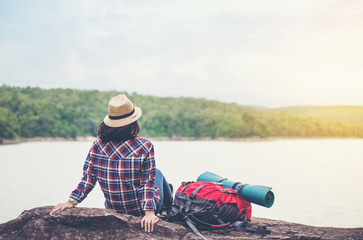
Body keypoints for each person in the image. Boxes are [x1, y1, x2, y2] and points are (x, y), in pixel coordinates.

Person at [50, 94, 173, 233]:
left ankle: (167, 205)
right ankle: (170, 208)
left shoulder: (97, 146)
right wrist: (149, 213)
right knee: (158, 173)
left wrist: (71, 201)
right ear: (133, 122)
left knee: (156, 175)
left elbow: (88, 180)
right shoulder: (144, 146)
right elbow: (146, 183)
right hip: (140, 210)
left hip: (114, 210)